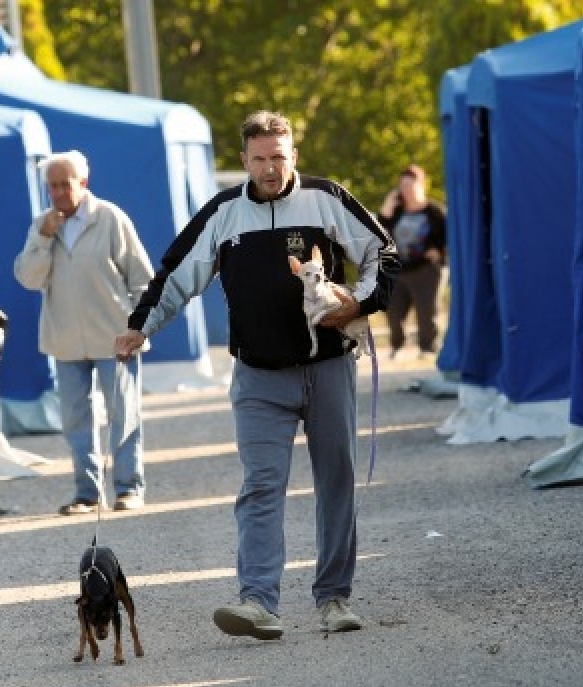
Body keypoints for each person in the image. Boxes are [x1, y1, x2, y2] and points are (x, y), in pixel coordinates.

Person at [114, 110, 399, 639]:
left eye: (280, 158)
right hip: (258, 376)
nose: (271, 169)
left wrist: (356, 304)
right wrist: (140, 327)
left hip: (329, 367)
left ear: (295, 157)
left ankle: (334, 598)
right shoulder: (223, 214)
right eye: (261, 159)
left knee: (336, 482)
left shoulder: (326, 200)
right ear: (243, 160)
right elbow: (176, 275)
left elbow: (382, 253)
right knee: (261, 487)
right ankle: (258, 602)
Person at [15, 150, 154, 514]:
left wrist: (138, 328)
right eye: (53, 186)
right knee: (76, 420)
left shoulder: (110, 218)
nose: (59, 192)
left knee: (123, 414)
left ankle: (128, 489)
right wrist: (44, 238)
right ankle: (87, 494)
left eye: (66, 184)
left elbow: (142, 279)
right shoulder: (42, 225)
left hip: (115, 338)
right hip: (65, 340)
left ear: (83, 183)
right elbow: (28, 278)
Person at [377, 164, 446, 359]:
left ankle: (428, 347)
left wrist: (439, 252)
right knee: (393, 311)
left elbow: (447, 238)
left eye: (410, 185)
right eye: (403, 186)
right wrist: (388, 204)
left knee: (427, 312)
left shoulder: (434, 212)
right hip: (399, 269)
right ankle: (396, 346)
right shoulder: (397, 212)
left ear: (422, 185)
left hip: (426, 270)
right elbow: (378, 231)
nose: (406, 190)